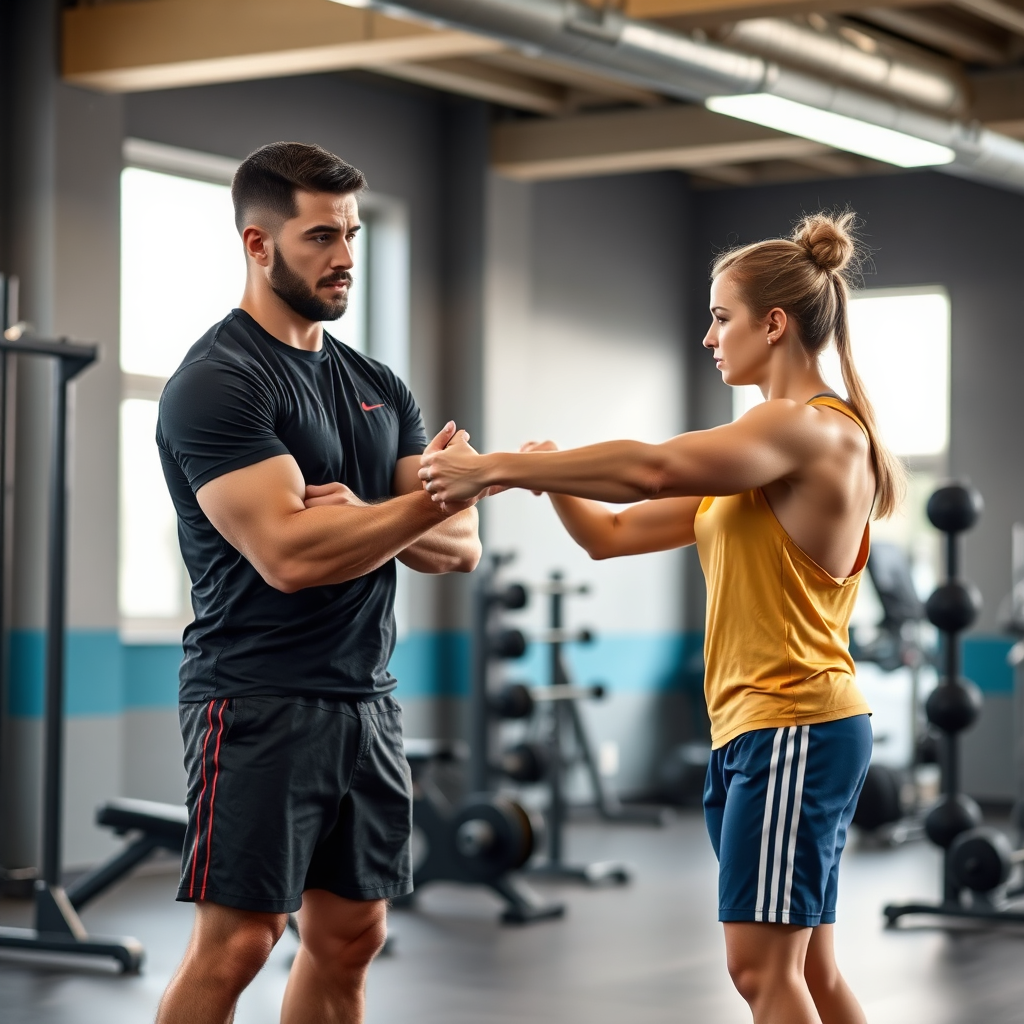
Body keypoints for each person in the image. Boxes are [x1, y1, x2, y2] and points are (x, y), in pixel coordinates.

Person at [418, 211, 902, 1024]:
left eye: (721, 316)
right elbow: (612, 534)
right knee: (807, 968)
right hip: (761, 730)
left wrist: (490, 468)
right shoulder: (761, 461)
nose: (709, 337)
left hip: (793, 725)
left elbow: (651, 468)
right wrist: (547, 477)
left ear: (773, 323)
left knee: (759, 970)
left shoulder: (808, 429)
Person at [154, 141, 481, 1024]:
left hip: (366, 698)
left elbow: (459, 547)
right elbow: (291, 558)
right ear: (257, 244)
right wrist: (428, 498)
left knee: (351, 935)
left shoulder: (377, 385)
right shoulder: (217, 384)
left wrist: (369, 512)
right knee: (240, 945)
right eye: (320, 237)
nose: (344, 257)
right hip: (258, 695)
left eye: (352, 233)